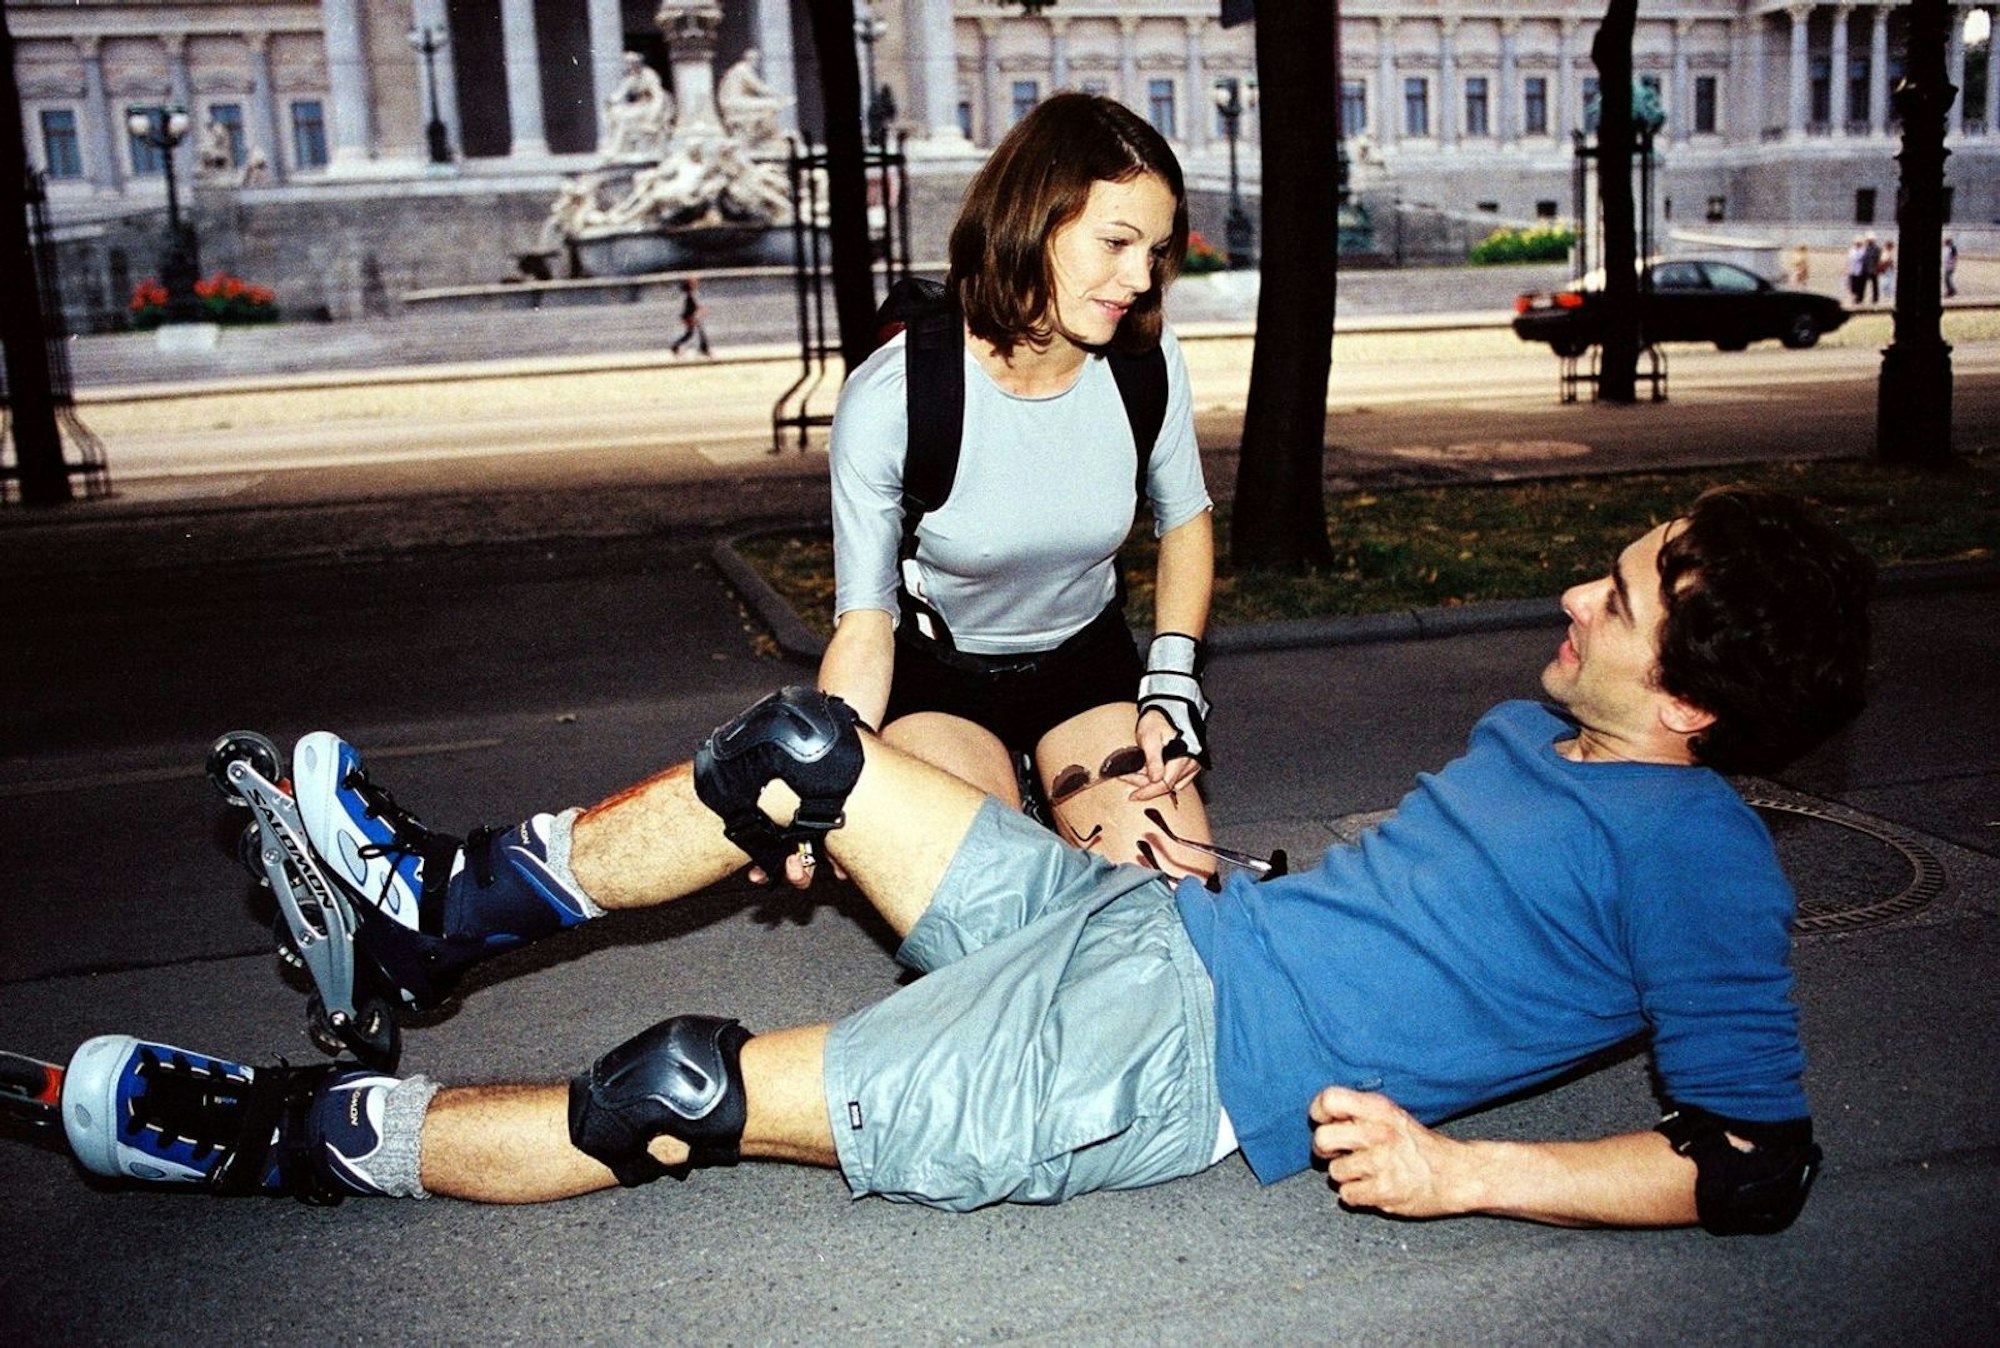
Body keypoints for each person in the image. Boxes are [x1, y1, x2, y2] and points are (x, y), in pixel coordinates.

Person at [35, 487, 1875, 1235]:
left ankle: (283, 1135)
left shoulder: (1703, 860)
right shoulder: (1541, 731)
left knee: (674, 1086)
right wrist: (1192, 851)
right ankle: (426, 916)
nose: (1575, 596)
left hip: (1149, 1062)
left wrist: (1464, 1171)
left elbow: (1751, 1161)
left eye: (1615, 597)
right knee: (796, 755)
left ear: (1692, 703)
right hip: (1145, 916)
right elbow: (1424, 912)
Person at [825, 92, 1218, 880]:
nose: (1139, 278)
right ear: (1033, 221)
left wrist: (1172, 683)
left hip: (1086, 662)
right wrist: (834, 777)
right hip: (940, 681)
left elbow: (1185, 522)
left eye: (1155, 250)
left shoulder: (1145, 363)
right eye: (1116, 242)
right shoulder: (895, 394)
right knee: (995, 903)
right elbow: (864, 625)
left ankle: (1054, 806)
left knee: (1175, 898)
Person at [671, 276, 710, 357]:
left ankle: (703, 349)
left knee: (693, 333)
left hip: (690, 316)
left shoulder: (689, 294)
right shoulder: (689, 294)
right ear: (690, 285)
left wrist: (700, 310)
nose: (697, 284)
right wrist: (701, 310)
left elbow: (693, 305)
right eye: (694, 283)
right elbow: (692, 305)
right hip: (689, 316)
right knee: (693, 333)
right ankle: (675, 347)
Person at [1845, 236, 1868, 305]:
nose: (1857, 244)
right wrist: (1847, 269)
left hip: (1860, 270)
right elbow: (1849, 260)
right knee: (1853, 286)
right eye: (1857, 243)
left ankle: (1859, 300)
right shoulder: (1852, 250)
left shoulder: (1863, 250)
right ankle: (1854, 298)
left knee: (1860, 286)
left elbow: (1861, 258)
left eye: (1859, 243)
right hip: (1852, 270)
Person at [1860, 233, 1882, 304]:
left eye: (1869, 240)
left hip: (1872, 269)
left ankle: (1875, 299)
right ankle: (1862, 299)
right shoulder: (1865, 248)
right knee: (1864, 285)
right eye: (1868, 240)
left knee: (1874, 285)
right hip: (1866, 269)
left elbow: (1877, 259)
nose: (1868, 241)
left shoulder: (1877, 248)